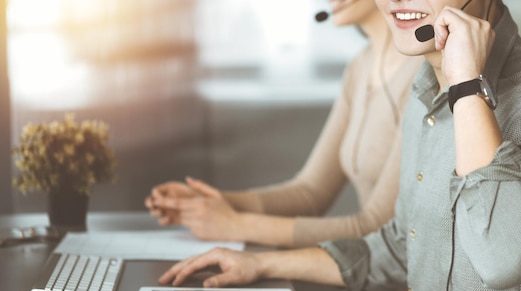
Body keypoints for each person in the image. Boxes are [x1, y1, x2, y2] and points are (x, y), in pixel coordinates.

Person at [157, 0, 521, 291]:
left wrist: (468, 86)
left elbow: (503, 260)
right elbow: (401, 246)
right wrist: (259, 265)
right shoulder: (426, 92)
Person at [144, 0, 423, 248]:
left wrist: (237, 225)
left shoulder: (423, 75)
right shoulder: (360, 67)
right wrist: (210, 203)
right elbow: (311, 192)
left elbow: (376, 229)